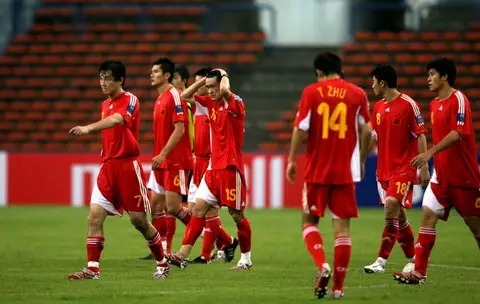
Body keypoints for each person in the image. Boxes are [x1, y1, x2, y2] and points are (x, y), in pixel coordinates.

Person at [67, 60, 169, 280]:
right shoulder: (105, 104)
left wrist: (88, 128)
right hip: (108, 168)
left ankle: (162, 262)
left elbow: (117, 120)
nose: (103, 82)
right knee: (94, 217)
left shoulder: (130, 99)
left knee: (139, 221)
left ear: (120, 79)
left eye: (107, 78)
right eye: (101, 77)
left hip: (127, 168)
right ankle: (92, 269)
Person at [286, 52, 372, 299]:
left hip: (317, 170)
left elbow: (300, 129)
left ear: (319, 73)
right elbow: (367, 130)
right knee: (342, 230)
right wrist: (362, 159)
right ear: (339, 69)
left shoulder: (312, 92)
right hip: (344, 171)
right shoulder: (357, 93)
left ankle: (322, 264)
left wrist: (292, 160)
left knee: (309, 221)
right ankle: (338, 288)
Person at [393, 58, 480, 284]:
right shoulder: (434, 104)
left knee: (476, 228)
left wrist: (429, 153)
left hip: (464, 177)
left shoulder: (458, 99)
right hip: (441, 177)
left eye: (432, 74)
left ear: (444, 76)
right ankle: (419, 273)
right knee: (428, 216)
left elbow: (457, 133)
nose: (428, 79)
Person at [166, 68, 250, 270]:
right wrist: (204, 80)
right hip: (213, 169)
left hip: (230, 167)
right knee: (198, 209)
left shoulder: (235, 102)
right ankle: (182, 255)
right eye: (208, 87)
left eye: (213, 87)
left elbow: (227, 91)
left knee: (237, 215)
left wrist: (224, 75)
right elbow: (184, 95)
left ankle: (246, 259)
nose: (210, 91)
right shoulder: (208, 104)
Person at [363, 64, 429, 274]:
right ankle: (413, 258)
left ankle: (381, 261)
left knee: (391, 204)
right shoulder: (379, 107)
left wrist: (424, 166)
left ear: (382, 82)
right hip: (383, 170)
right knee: (398, 215)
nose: (371, 85)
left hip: (404, 168)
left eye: (373, 80)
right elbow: (377, 135)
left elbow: (420, 134)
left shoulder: (409, 104)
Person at [187, 67, 238, 264]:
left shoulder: (210, 106)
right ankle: (228, 241)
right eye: (202, 84)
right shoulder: (200, 106)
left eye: (207, 84)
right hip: (198, 160)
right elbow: (186, 95)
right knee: (194, 209)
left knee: (209, 210)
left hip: (211, 161)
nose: (205, 88)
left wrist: (222, 76)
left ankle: (205, 254)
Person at [144, 58, 193, 258]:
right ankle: (163, 251)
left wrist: (164, 154)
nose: (151, 74)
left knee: (173, 207)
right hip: (161, 162)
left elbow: (180, 129)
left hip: (175, 160)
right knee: (155, 206)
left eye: (156, 71)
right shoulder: (159, 98)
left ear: (166, 76)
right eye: (151, 71)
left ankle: (214, 234)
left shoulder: (176, 96)